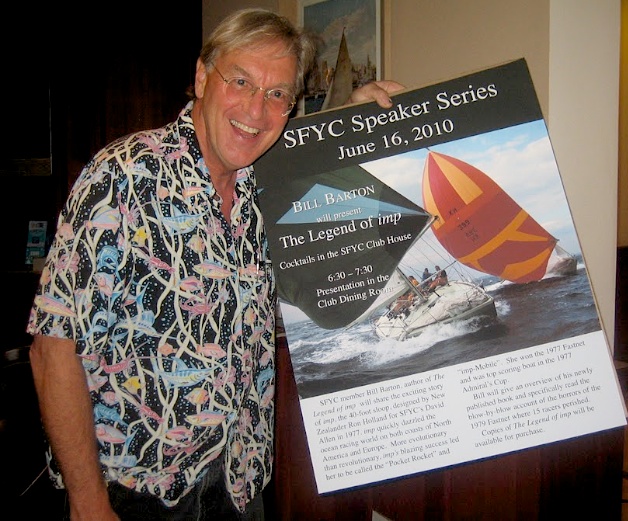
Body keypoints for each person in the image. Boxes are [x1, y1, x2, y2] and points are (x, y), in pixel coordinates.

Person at [26, 8, 404, 521]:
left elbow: (306, 151)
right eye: (241, 81)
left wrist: (353, 120)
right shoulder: (123, 176)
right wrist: (88, 501)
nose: (256, 108)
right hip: (132, 491)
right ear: (202, 77)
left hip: (239, 482)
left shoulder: (264, 187)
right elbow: (53, 347)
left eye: (277, 95)